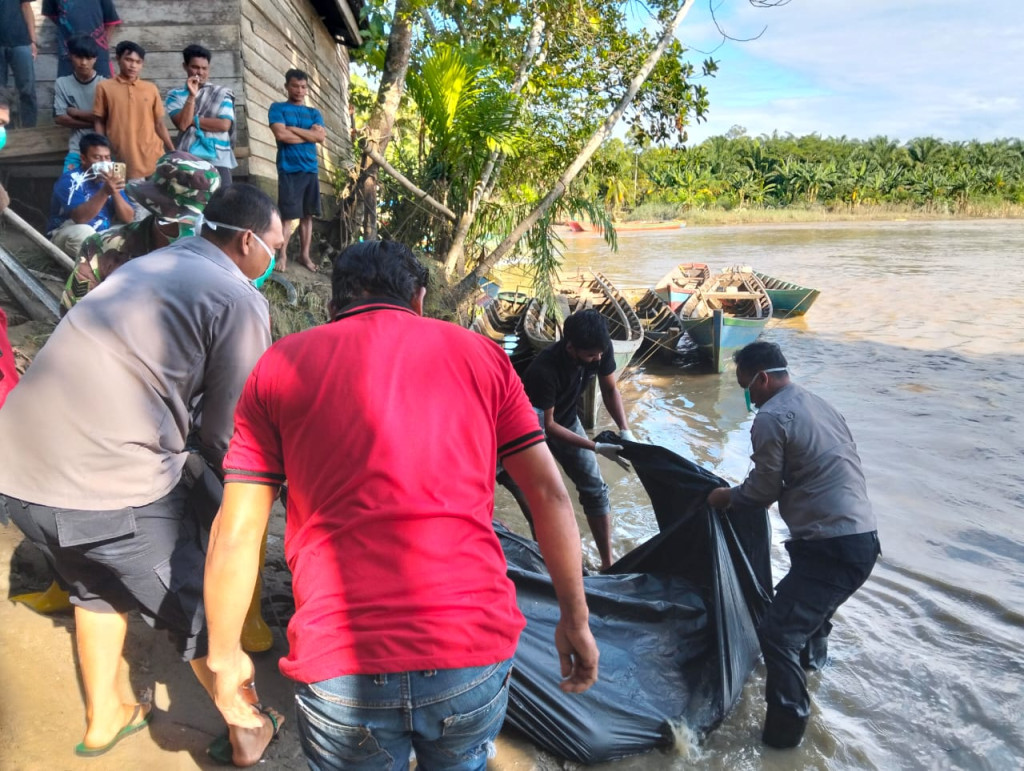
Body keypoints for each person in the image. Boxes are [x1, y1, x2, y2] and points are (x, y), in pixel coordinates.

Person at [204, 240, 599, 769]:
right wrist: (576, 616)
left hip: (340, 662)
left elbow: (237, 529)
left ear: (332, 307)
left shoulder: (280, 366)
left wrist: (224, 657)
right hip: (470, 649)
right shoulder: (482, 357)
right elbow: (549, 493)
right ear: (419, 298)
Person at [0, 183, 285, 762]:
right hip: (105, 489)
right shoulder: (238, 298)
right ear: (250, 241)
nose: (275, 259)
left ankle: (108, 715)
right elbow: (230, 435)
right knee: (205, 611)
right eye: (276, 246)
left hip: (19, 474)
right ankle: (248, 730)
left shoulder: (150, 263)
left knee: (94, 586)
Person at [706, 341, 880, 749]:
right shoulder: (820, 405)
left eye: (746, 386)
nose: (747, 396)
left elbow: (762, 490)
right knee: (810, 615)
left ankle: (785, 738)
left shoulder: (772, 416)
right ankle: (814, 671)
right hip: (862, 538)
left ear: (762, 378)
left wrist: (725, 497)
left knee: (778, 633)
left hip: (830, 547)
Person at [520, 308, 634, 571]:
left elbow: (609, 388)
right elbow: (547, 426)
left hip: (568, 418)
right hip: (530, 429)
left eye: (601, 353)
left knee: (595, 487)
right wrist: (595, 446)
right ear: (571, 347)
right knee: (544, 497)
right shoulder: (543, 370)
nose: (598, 358)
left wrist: (625, 429)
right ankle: (553, 561)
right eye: (591, 355)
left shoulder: (600, 349)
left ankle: (608, 563)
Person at [60, 150, 219, 310]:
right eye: (178, 220)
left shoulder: (220, 258)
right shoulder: (103, 246)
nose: (187, 228)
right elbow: (73, 314)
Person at [93, 40, 174, 214]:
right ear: (118, 59)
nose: (133, 65)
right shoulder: (104, 88)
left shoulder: (150, 88)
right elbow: (99, 120)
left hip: (154, 155)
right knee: (133, 208)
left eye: (138, 62)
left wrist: (173, 150)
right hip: (121, 157)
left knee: (160, 204)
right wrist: (102, 150)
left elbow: (159, 123)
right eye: (129, 60)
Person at [268, 68, 324, 272]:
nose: (299, 90)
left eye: (303, 87)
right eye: (295, 86)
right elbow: (281, 135)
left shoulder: (314, 113)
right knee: (287, 216)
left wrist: (292, 129)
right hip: (289, 168)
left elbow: (320, 137)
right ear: (286, 86)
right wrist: (308, 134)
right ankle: (281, 255)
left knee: (308, 215)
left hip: (310, 169)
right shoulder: (277, 108)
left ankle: (304, 255)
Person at [45, 132, 133, 258]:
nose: (104, 163)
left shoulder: (111, 179)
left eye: (107, 158)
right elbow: (80, 218)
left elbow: (128, 218)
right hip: (67, 232)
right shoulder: (70, 180)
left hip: (101, 233)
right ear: (84, 159)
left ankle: (107, 263)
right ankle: (98, 268)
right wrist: (105, 192)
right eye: (97, 158)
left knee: (133, 231)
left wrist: (115, 191)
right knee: (85, 233)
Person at [165, 44, 237, 185]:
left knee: (223, 201)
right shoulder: (175, 95)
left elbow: (224, 125)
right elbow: (182, 124)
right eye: (195, 67)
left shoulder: (222, 93)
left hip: (219, 158)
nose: (200, 72)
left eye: (204, 68)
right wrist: (192, 95)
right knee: (191, 202)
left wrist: (193, 120)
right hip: (188, 159)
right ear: (185, 66)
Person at [53, 34, 105, 171]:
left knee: (107, 188)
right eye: (78, 57)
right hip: (77, 149)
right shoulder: (62, 83)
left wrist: (75, 112)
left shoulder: (105, 84)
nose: (83, 63)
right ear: (70, 56)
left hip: (104, 150)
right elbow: (60, 118)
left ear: (95, 59)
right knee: (69, 186)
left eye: (88, 58)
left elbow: (108, 117)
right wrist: (94, 121)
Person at [42, 0, 120, 79]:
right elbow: (54, 16)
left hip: (97, 54)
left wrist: (101, 43)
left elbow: (111, 21)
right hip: (68, 53)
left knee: (102, 87)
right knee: (67, 87)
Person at [0, 0, 37, 127]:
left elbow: (26, 6)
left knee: (27, 89)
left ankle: (30, 131)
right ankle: (4, 133)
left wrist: (33, 40)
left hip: (21, 40)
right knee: (0, 93)